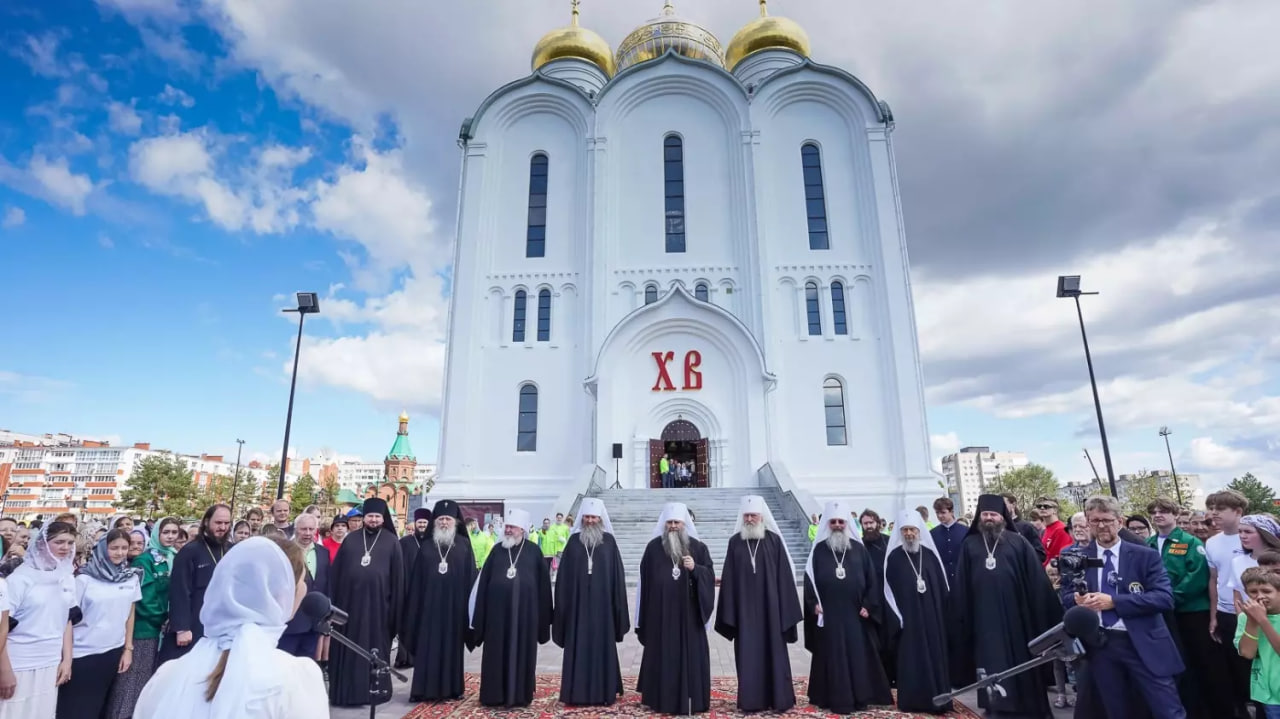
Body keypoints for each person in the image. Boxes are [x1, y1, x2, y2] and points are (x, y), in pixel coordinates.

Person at [134, 536, 325, 718]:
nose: (304, 589)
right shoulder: (296, 678)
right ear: (280, 592)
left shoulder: (168, 674)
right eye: (301, 581)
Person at [1063, 494, 1185, 719]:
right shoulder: (1078, 557)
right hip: (1101, 645)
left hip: (1143, 641)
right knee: (1116, 709)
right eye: (1095, 520)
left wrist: (1114, 602)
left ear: (1119, 522)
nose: (1101, 526)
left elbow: (1164, 598)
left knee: (1167, 709)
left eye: (1107, 520)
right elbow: (1066, 596)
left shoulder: (1144, 555)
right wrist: (1077, 601)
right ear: (1088, 523)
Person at [949, 494, 1061, 718]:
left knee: (1023, 667)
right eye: (985, 514)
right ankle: (996, 709)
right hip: (984, 622)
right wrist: (960, 617)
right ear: (979, 517)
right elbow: (961, 585)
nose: (989, 518)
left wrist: (1046, 615)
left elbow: (1036, 582)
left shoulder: (1018, 542)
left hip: (1018, 620)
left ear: (1003, 516)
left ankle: (1027, 708)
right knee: (990, 665)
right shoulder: (970, 544)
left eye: (993, 514)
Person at [715, 495, 802, 712]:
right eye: (747, 515)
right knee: (748, 658)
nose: (750, 519)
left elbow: (785, 579)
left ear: (762, 516)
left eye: (754, 515)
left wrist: (786, 614)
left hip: (771, 614)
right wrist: (730, 614)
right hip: (744, 615)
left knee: (775, 656)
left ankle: (779, 699)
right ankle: (751, 701)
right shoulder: (734, 543)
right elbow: (730, 577)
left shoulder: (774, 541)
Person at [804, 501, 891, 713]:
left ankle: (860, 697)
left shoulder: (860, 549)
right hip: (830, 615)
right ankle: (829, 697)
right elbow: (810, 581)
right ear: (827, 524)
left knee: (857, 656)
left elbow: (872, 581)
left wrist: (869, 605)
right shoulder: (818, 551)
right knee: (831, 656)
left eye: (840, 521)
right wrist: (813, 604)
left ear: (847, 523)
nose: (836, 525)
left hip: (856, 615)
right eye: (832, 521)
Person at [634, 502, 715, 715]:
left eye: (676, 522)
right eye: (669, 522)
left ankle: (693, 699)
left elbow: (709, 577)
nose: (672, 526)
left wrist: (695, 569)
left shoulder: (698, 548)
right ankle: (659, 699)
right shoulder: (652, 548)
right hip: (660, 617)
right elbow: (645, 583)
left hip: (689, 618)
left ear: (684, 524)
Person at [468, 509, 552, 708]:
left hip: (525, 618)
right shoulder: (497, 551)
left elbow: (543, 588)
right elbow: (483, 585)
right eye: (506, 527)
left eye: (512, 527)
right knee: (495, 655)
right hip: (496, 618)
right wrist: (479, 618)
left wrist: (543, 620)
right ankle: (493, 695)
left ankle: (521, 695)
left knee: (521, 654)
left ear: (522, 530)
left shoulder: (533, 551)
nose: (508, 530)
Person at [56, 530, 142, 719]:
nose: (120, 553)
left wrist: (128, 648)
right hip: (82, 654)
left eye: (124, 548)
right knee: (75, 709)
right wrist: (66, 658)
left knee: (99, 706)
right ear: (103, 549)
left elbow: (130, 613)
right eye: (114, 548)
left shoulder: (131, 577)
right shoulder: (84, 579)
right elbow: (67, 619)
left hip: (112, 651)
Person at [328, 498, 404, 708]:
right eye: (370, 516)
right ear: (364, 518)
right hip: (349, 608)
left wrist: (395, 612)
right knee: (348, 649)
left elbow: (398, 580)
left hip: (378, 610)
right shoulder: (351, 540)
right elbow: (337, 575)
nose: (373, 519)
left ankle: (375, 693)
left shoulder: (391, 541)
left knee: (373, 651)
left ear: (383, 518)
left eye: (377, 516)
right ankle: (344, 692)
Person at [552, 498, 629, 706]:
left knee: (602, 647)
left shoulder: (610, 543)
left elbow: (617, 578)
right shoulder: (573, 542)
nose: (590, 520)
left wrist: (618, 608)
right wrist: (562, 608)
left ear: (600, 519)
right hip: (577, 610)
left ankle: (605, 692)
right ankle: (575, 693)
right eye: (586, 517)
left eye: (594, 517)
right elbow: (563, 580)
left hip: (603, 610)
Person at [105, 517, 180, 719]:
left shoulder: (172, 557)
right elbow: (145, 599)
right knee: (131, 682)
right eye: (166, 532)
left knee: (145, 682)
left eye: (174, 532)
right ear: (156, 534)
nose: (171, 536)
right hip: (144, 629)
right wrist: (164, 618)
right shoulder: (143, 560)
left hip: (159, 631)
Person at [1, 523, 76, 719]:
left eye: (70, 543)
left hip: (50, 662)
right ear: (42, 543)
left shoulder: (66, 576)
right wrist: (4, 670)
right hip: (19, 662)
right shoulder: (20, 578)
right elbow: (2, 628)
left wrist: (67, 659)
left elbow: (67, 619)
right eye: (58, 542)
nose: (65, 547)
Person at [402, 500, 474, 703]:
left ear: (456, 522)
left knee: (452, 649)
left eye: (448, 519)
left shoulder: (464, 546)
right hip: (428, 611)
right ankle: (423, 690)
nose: (444, 523)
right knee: (428, 649)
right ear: (435, 522)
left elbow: (470, 580)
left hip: (454, 610)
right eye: (441, 519)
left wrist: (470, 612)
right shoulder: (425, 547)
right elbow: (416, 582)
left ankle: (452, 689)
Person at [1147, 497, 1212, 719]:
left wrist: (1168, 598)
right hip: (1161, 614)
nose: (1158, 514)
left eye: (1163, 510)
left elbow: (1196, 577)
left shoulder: (1191, 543)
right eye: (1154, 511)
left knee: (1197, 662)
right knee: (1175, 663)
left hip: (1190, 613)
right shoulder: (1148, 544)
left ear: (1175, 514)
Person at [884, 509, 950, 713]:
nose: (909, 534)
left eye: (912, 529)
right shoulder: (894, 558)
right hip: (908, 621)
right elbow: (888, 592)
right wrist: (898, 618)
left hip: (932, 619)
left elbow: (941, 588)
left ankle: (939, 700)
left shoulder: (929, 555)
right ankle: (913, 701)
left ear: (919, 530)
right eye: (905, 530)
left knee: (934, 657)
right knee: (911, 660)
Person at [159, 504, 232, 665]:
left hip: (220, 627)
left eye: (227, 523)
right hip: (192, 625)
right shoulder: (190, 551)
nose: (223, 527)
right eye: (218, 523)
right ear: (206, 522)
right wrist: (182, 628)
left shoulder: (231, 550)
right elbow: (179, 591)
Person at [1205, 489, 1253, 719]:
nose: (1214, 513)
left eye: (1220, 509)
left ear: (1238, 511)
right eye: (1211, 508)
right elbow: (1214, 579)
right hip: (1226, 612)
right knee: (1233, 666)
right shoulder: (1212, 542)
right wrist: (1214, 615)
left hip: (1256, 612)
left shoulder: (1253, 536)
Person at [278, 513, 328, 659]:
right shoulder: (285, 552)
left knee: (306, 667)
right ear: (295, 529)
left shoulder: (323, 553)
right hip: (291, 623)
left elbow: (326, 584)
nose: (307, 533)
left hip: (314, 622)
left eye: (311, 529)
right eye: (303, 529)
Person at [1234, 567, 1280, 717]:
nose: (1260, 597)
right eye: (1253, 592)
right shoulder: (1245, 618)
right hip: (1270, 696)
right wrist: (1253, 622)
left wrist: (1263, 620)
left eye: (1266, 591)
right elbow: (1247, 653)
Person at [858, 508, 897, 683]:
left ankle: (894, 676)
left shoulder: (890, 542)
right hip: (870, 601)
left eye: (871, 523)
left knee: (892, 638)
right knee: (875, 641)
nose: (869, 526)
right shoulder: (859, 546)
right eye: (865, 524)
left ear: (878, 523)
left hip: (890, 598)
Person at [393, 508, 432, 669]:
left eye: (424, 522)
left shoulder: (433, 543)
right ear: (415, 524)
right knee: (406, 625)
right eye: (419, 522)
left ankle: (423, 656)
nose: (422, 525)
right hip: (408, 590)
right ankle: (405, 657)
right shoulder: (404, 543)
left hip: (426, 591)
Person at [1002, 494, 1047, 565]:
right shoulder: (997, 529)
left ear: (1013, 504)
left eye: (1004, 504)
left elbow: (1040, 554)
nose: (1001, 508)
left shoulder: (1026, 527)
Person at [929, 497, 966, 584]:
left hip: (962, 579)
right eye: (937, 513)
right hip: (941, 580)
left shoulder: (965, 531)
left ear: (952, 512)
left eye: (943, 512)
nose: (939, 516)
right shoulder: (932, 534)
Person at [1035, 496, 1073, 566]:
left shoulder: (1061, 529)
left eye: (1046, 506)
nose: (1042, 508)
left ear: (1055, 510)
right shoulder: (1046, 529)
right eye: (1039, 506)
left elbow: (1060, 556)